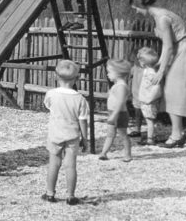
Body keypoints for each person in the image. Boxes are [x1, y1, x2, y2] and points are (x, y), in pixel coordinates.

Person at [129, 0, 186, 147]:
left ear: (142, 6)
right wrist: (160, 64)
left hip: (184, 50)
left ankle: (176, 135)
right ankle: (177, 133)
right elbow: (168, 47)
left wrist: (160, 71)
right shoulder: (160, 14)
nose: (137, 12)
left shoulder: (161, 18)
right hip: (180, 48)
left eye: (136, 9)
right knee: (171, 91)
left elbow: (167, 46)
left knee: (172, 91)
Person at [43, 59, 89, 206]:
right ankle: (70, 196)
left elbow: (48, 107)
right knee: (71, 166)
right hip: (72, 136)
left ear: (57, 76)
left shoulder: (51, 94)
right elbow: (83, 121)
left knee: (54, 164)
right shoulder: (80, 99)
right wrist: (85, 138)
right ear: (76, 78)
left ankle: (50, 193)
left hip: (55, 134)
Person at [98, 59, 133, 162]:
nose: (108, 74)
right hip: (113, 113)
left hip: (119, 114)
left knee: (123, 135)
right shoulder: (118, 85)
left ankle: (127, 154)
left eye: (109, 72)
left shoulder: (121, 87)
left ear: (117, 73)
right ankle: (104, 153)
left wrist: (114, 115)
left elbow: (120, 102)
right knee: (110, 134)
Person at [130, 46, 162, 145]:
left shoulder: (151, 73)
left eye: (139, 59)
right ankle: (150, 137)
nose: (138, 61)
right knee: (149, 120)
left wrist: (149, 99)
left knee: (149, 121)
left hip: (149, 101)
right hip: (146, 100)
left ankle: (150, 139)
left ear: (144, 62)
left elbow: (157, 89)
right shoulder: (147, 71)